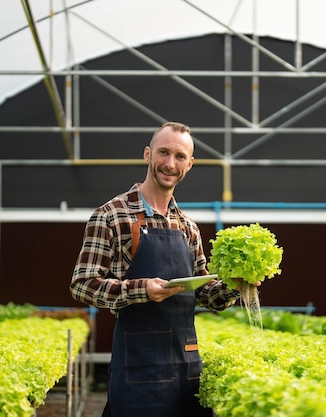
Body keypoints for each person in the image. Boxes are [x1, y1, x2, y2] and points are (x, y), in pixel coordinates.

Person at [70, 121, 241, 417]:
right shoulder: (111, 215)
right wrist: (141, 289)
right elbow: (82, 284)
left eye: (179, 156)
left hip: (186, 366)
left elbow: (205, 295)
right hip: (138, 369)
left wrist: (236, 284)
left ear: (190, 164)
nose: (170, 163)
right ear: (148, 154)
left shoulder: (188, 227)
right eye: (163, 152)